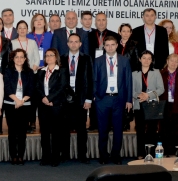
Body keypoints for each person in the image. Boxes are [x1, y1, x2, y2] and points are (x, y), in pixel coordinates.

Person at [93, 36, 132, 164]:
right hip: (102, 99)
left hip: (118, 99)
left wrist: (128, 100)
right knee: (102, 129)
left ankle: (116, 156)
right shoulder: (98, 61)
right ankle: (103, 156)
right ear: (104, 47)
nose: (110, 47)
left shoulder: (124, 60)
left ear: (117, 46)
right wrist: (96, 97)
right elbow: (94, 80)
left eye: (112, 44)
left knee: (118, 129)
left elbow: (128, 81)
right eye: (107, 45)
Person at [61, 34, 93, 163]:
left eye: (76, 42)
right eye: (71, 42)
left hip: (81, 99)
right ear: (67, 44)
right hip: (65, 98)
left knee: (81, 129)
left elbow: (90, 79)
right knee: (64, 128)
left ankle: (82, 155)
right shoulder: (62, 58)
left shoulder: (86, 58)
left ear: (80, 44)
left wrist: (89, 99)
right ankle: (65, 154)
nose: (73, 44)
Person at [36, 49, 68, 166]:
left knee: (56, 133)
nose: (49, 57)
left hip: (56, 105)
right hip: (43, 106)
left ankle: (55, 157)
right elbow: (37, 87)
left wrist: (50, 98)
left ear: (56, 57)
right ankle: (45, 157)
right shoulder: (41, 71)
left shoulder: (62, 71)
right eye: (47, 55)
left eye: (51, 55)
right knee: (44, 133)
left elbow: (62, 87)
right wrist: (44, 98)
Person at [2, 49, 34, 165]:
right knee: (12, 131)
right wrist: (16, 100)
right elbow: (7, 87)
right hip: (11, 104)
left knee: (22, 132)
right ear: (13, 59)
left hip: (25, 105)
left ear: (25, 59)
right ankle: (13, 156)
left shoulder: (29, 72)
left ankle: (20, 156)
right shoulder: (8, 71)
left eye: (21, 57)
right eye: (17, 57)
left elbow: (31, 88)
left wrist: (22, 101)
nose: (19, 59)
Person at [132, 51, 164, 159]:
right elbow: (131, 90)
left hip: (152, 105)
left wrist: (148, 96)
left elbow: (161, 89)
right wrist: (140, 96)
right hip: (139, 104)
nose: (146, 60)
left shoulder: (156, 72)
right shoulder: (134, 73)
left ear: (152, 60)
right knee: (140, 130)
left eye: (149, 58)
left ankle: (151, 153)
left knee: (152, 130)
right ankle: (141, 153)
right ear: (140, 59)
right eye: (144, 58)